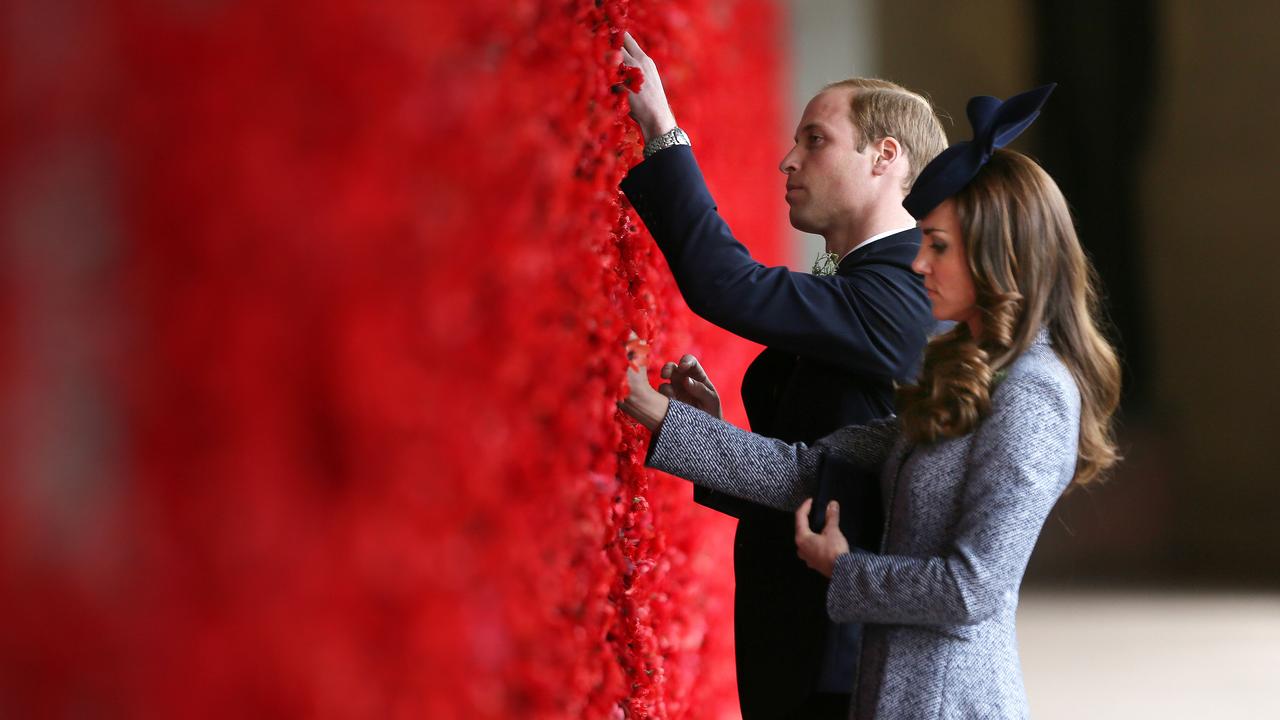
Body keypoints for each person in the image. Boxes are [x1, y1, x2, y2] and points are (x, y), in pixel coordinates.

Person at [620, 85, 1122, 718]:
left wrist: (847, 569)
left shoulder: (1034, 392)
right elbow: (813, 468)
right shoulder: (965, 373)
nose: (919, 265)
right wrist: (679, 425)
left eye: (937, 246)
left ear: (998, 254)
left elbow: (974, 589)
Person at [618, 33, 947, 718]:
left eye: (816, 141)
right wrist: (707, 433)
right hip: (807, 639)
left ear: (885, 157)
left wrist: (661, 128)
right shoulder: (880, 280)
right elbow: (825, 472)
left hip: (839, 653)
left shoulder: (904, 287)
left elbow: (727, 285)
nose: (787, 159)